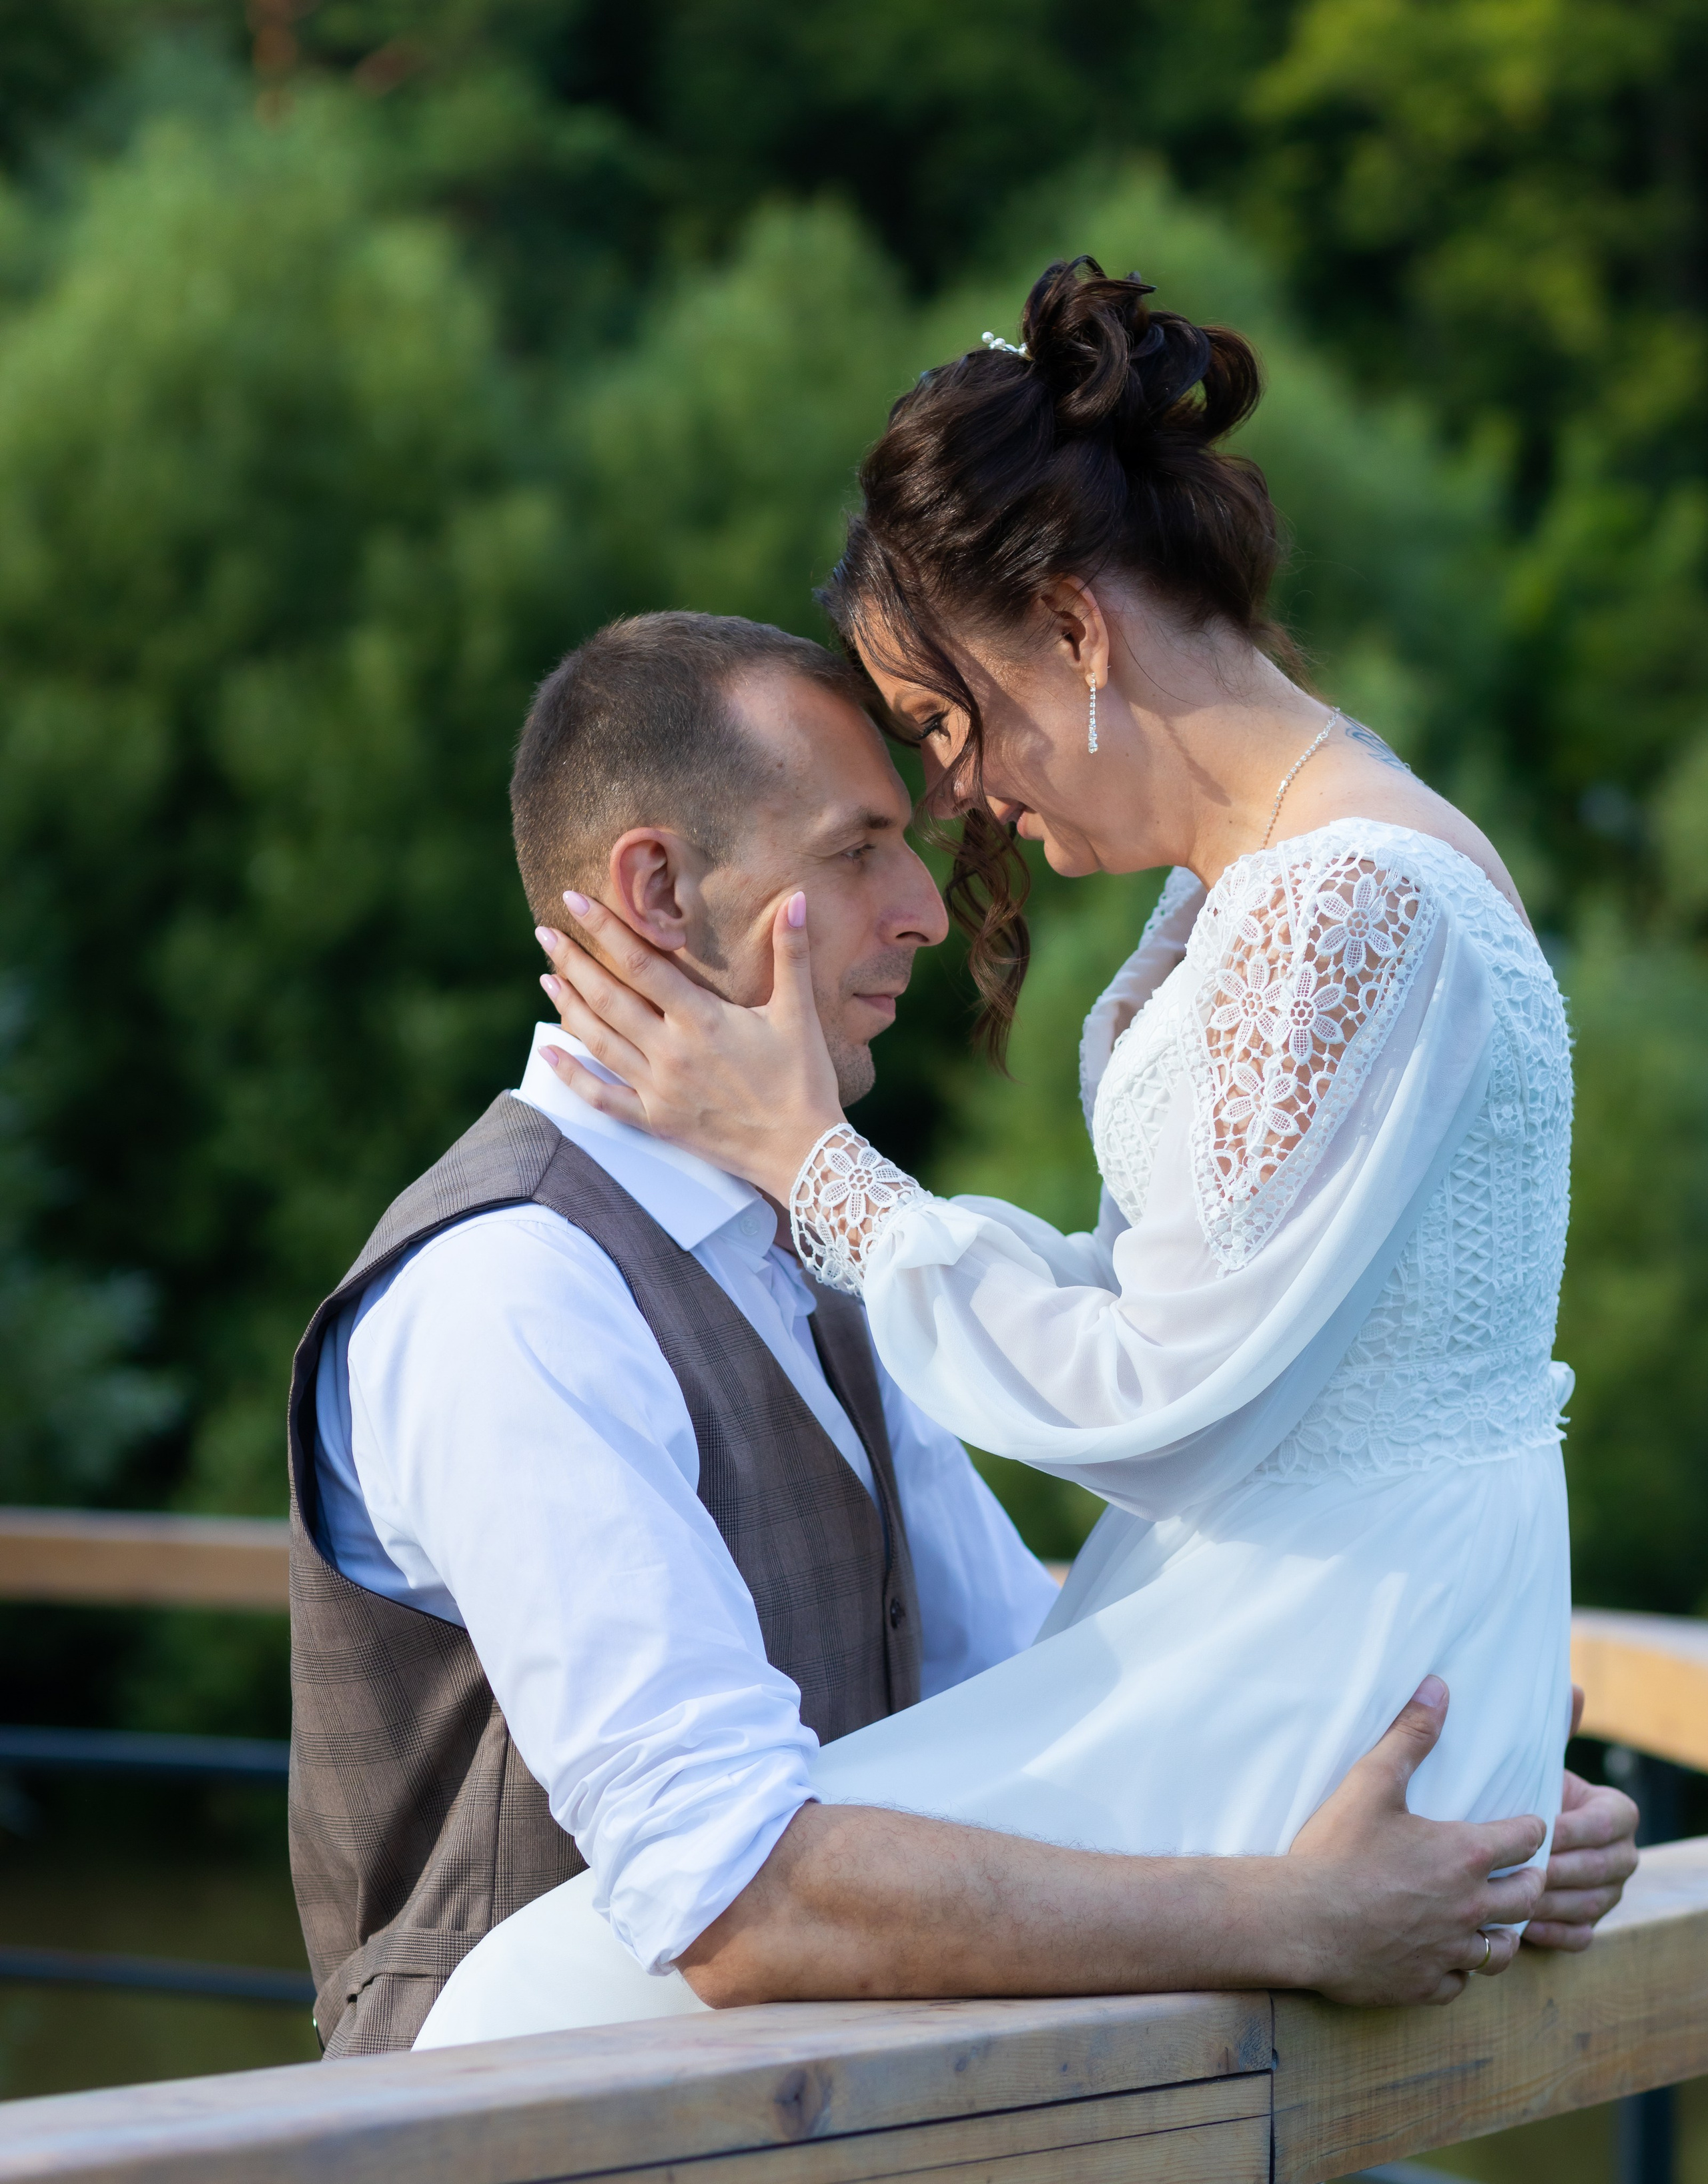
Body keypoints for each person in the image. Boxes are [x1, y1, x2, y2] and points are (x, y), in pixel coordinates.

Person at [477, 259, 1638, 2037]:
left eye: (948, 720)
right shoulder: (1270, 882)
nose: (958, 797)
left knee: (550, 1995)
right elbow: (1176, 1297)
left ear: (1076, 634)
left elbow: (1158, 1390)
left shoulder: (1346, 902)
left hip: (1325, 1661)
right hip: (1319, 1629)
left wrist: (817, 1168)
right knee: (577, 1976)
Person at [292, 609, 1629, 2060]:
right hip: (509, 2139)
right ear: (659, 891)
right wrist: (1295, 1913)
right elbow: (733, 1896)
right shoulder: (512, 1288)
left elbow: (1029, 1689)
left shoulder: (803, 1253)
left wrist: (1437, 1815)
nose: (924, 909)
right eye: (856, 850)